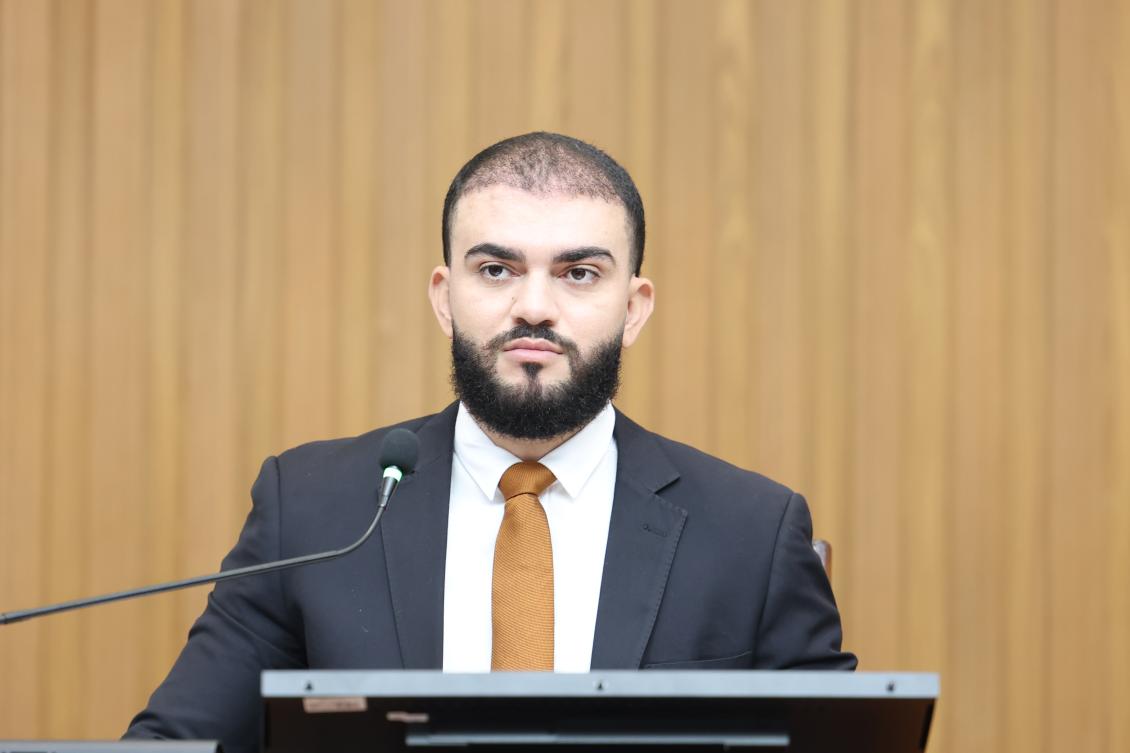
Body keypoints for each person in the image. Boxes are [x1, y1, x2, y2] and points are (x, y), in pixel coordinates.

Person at [126, 132, 856, 752]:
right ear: (445, 297)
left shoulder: (752, 531)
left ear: (634, 308)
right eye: (496, 269)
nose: (533, 307)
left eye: (579, 273)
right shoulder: (315, 511)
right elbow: (179, 740)